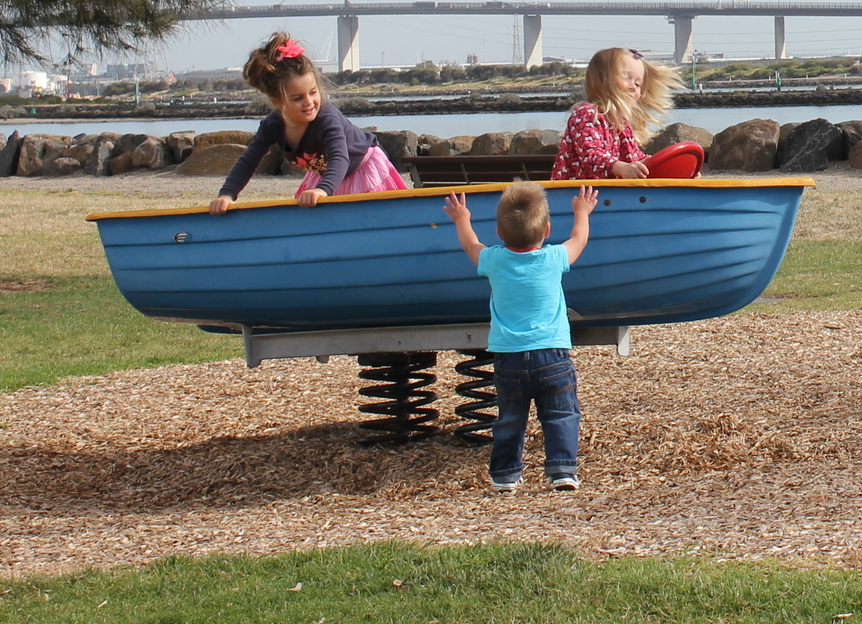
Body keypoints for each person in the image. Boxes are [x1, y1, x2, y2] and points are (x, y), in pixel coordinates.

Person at [445, 181, 597, 492]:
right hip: (552, 356)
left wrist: (462, 219)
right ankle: (562, 471)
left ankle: (505, 475)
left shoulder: (495, 260)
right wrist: (582, 211)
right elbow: (579, 239)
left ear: (499, 233)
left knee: (510, 418)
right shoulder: (553, 258)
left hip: (510, 358)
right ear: (547, 229)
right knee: (561, 414)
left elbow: (470, 245)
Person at [207, 32, 408, 213]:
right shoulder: (273, 125)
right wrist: (227, 194)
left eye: (313, 92)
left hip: (360, 169)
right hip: (327, 176)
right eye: (297, 98)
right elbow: (249, 160)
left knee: (367, 219)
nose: (309, 102)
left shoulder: (326, 117)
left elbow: (340, 157)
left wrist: (323, 189)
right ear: (276, 102)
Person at [550, 46, 680, 180]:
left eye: (638, 83)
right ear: (603, 79)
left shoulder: (621, 122)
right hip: (576, 192)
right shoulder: (587, 114)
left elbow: (634, 156)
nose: (633, 86)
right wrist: (621, 168)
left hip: (607, 193)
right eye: (627, 78)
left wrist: (671, 169)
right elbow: (591, 155)